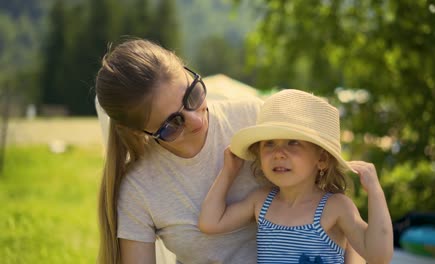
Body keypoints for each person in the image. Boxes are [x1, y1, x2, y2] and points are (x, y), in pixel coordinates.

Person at [95, 38, 365, 264]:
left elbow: (337, 212)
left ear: (189, 72)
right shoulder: (138, 188)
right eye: (171, 124)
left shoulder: (255, 120)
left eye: (193, 95)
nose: (198, 121)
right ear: (139, 132)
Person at [199, 89, 393, 264]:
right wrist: (228, 173)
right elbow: (210, 223)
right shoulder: (261, 201)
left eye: (293, 142)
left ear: (322, 159)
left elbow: (378, 257)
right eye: (269, 144)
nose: (278, 153)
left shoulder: (336, 207)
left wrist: (375, 192)